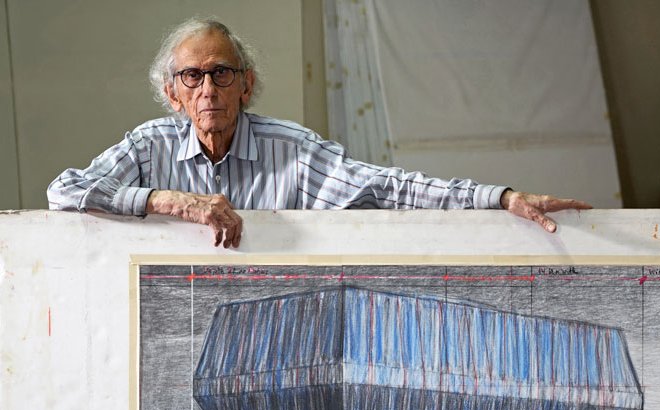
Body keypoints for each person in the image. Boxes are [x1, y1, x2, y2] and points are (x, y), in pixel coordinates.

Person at [48, 18, 590, 247]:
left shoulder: (292, 152)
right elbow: (63, 191)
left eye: (222, 73)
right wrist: (172, 202)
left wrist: (501, 197)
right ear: (174, 94)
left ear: (246, 85)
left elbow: (387, 188)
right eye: (192, 76)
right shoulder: (149, 147)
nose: (207, 87)